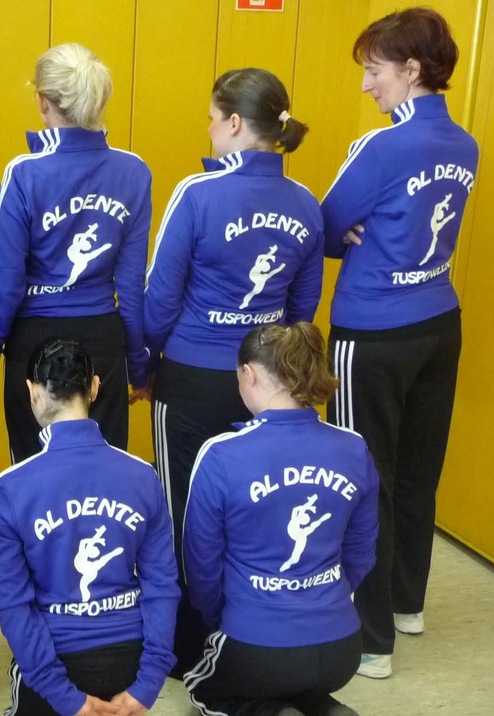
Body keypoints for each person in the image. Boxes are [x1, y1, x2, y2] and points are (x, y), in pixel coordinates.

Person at [142, 67, 324, 672]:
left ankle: (183, 646)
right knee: (256, 507)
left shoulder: (197, 194)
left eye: (213, 120)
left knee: (181, 511)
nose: (211, 131)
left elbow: (159, 300)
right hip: (268, 383)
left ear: (236, 124)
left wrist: (145, 364)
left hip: (192, 379)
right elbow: (301, 311)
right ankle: (250, 636)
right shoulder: (306, 203)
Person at [320, 8, 479, 678]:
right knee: (417, 473)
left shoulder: (380, 147)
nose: (366, 86)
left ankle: (371, 638)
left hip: (374, 335)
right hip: (440, 326)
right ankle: (407, 605)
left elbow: (324, 229)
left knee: (366, 482)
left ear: (412, 70)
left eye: (374, 71)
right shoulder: (464, 144)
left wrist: (353, 232)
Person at [183, 323, 379, 716]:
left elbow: (200, 570)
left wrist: (228, 619)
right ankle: (325, 709)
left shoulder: (220, 455)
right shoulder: (354, 448)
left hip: (255, 643)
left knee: (202, 688)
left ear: (248, 373)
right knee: (287, 678)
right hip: (342, 647)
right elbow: (360, 557)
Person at [0, 340, 179, 716]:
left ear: (33, 392)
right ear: (93, 388)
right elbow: (162, 587)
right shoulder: (143, 476)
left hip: (56, 661)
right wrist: (148, 684)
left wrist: (64, 697)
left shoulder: (9, 488)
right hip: (130, 662)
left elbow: (13, 606)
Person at [0, 43, 152, 462]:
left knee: (35, 469)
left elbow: (5, 284)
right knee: (106, 469)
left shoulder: (25, 173)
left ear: (42, 102)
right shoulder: (134, 171)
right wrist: (139, 364)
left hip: (34, 338)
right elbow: (130, 286)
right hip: (103, 339)